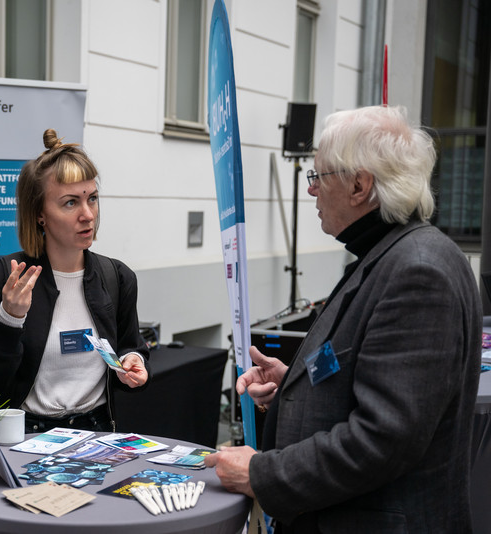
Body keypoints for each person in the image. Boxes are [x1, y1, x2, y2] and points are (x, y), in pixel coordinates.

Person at [204, 105, 481, 533]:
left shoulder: (417, 271)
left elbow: (384, 439)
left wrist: (261, 473)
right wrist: (293, 391)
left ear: (359, 185)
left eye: (318, 177)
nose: (311, 190)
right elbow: (369, 384)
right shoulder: (391, 254)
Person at [0, 129, 149, 432]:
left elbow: (130, 346)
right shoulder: (4, 280)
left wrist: (134, 362)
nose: (88, 215)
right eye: (70, 203)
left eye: (92, 198)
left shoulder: (118, 277)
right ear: (39, 215)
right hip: (27, 437)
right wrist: (9, 319)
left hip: (97, 433)